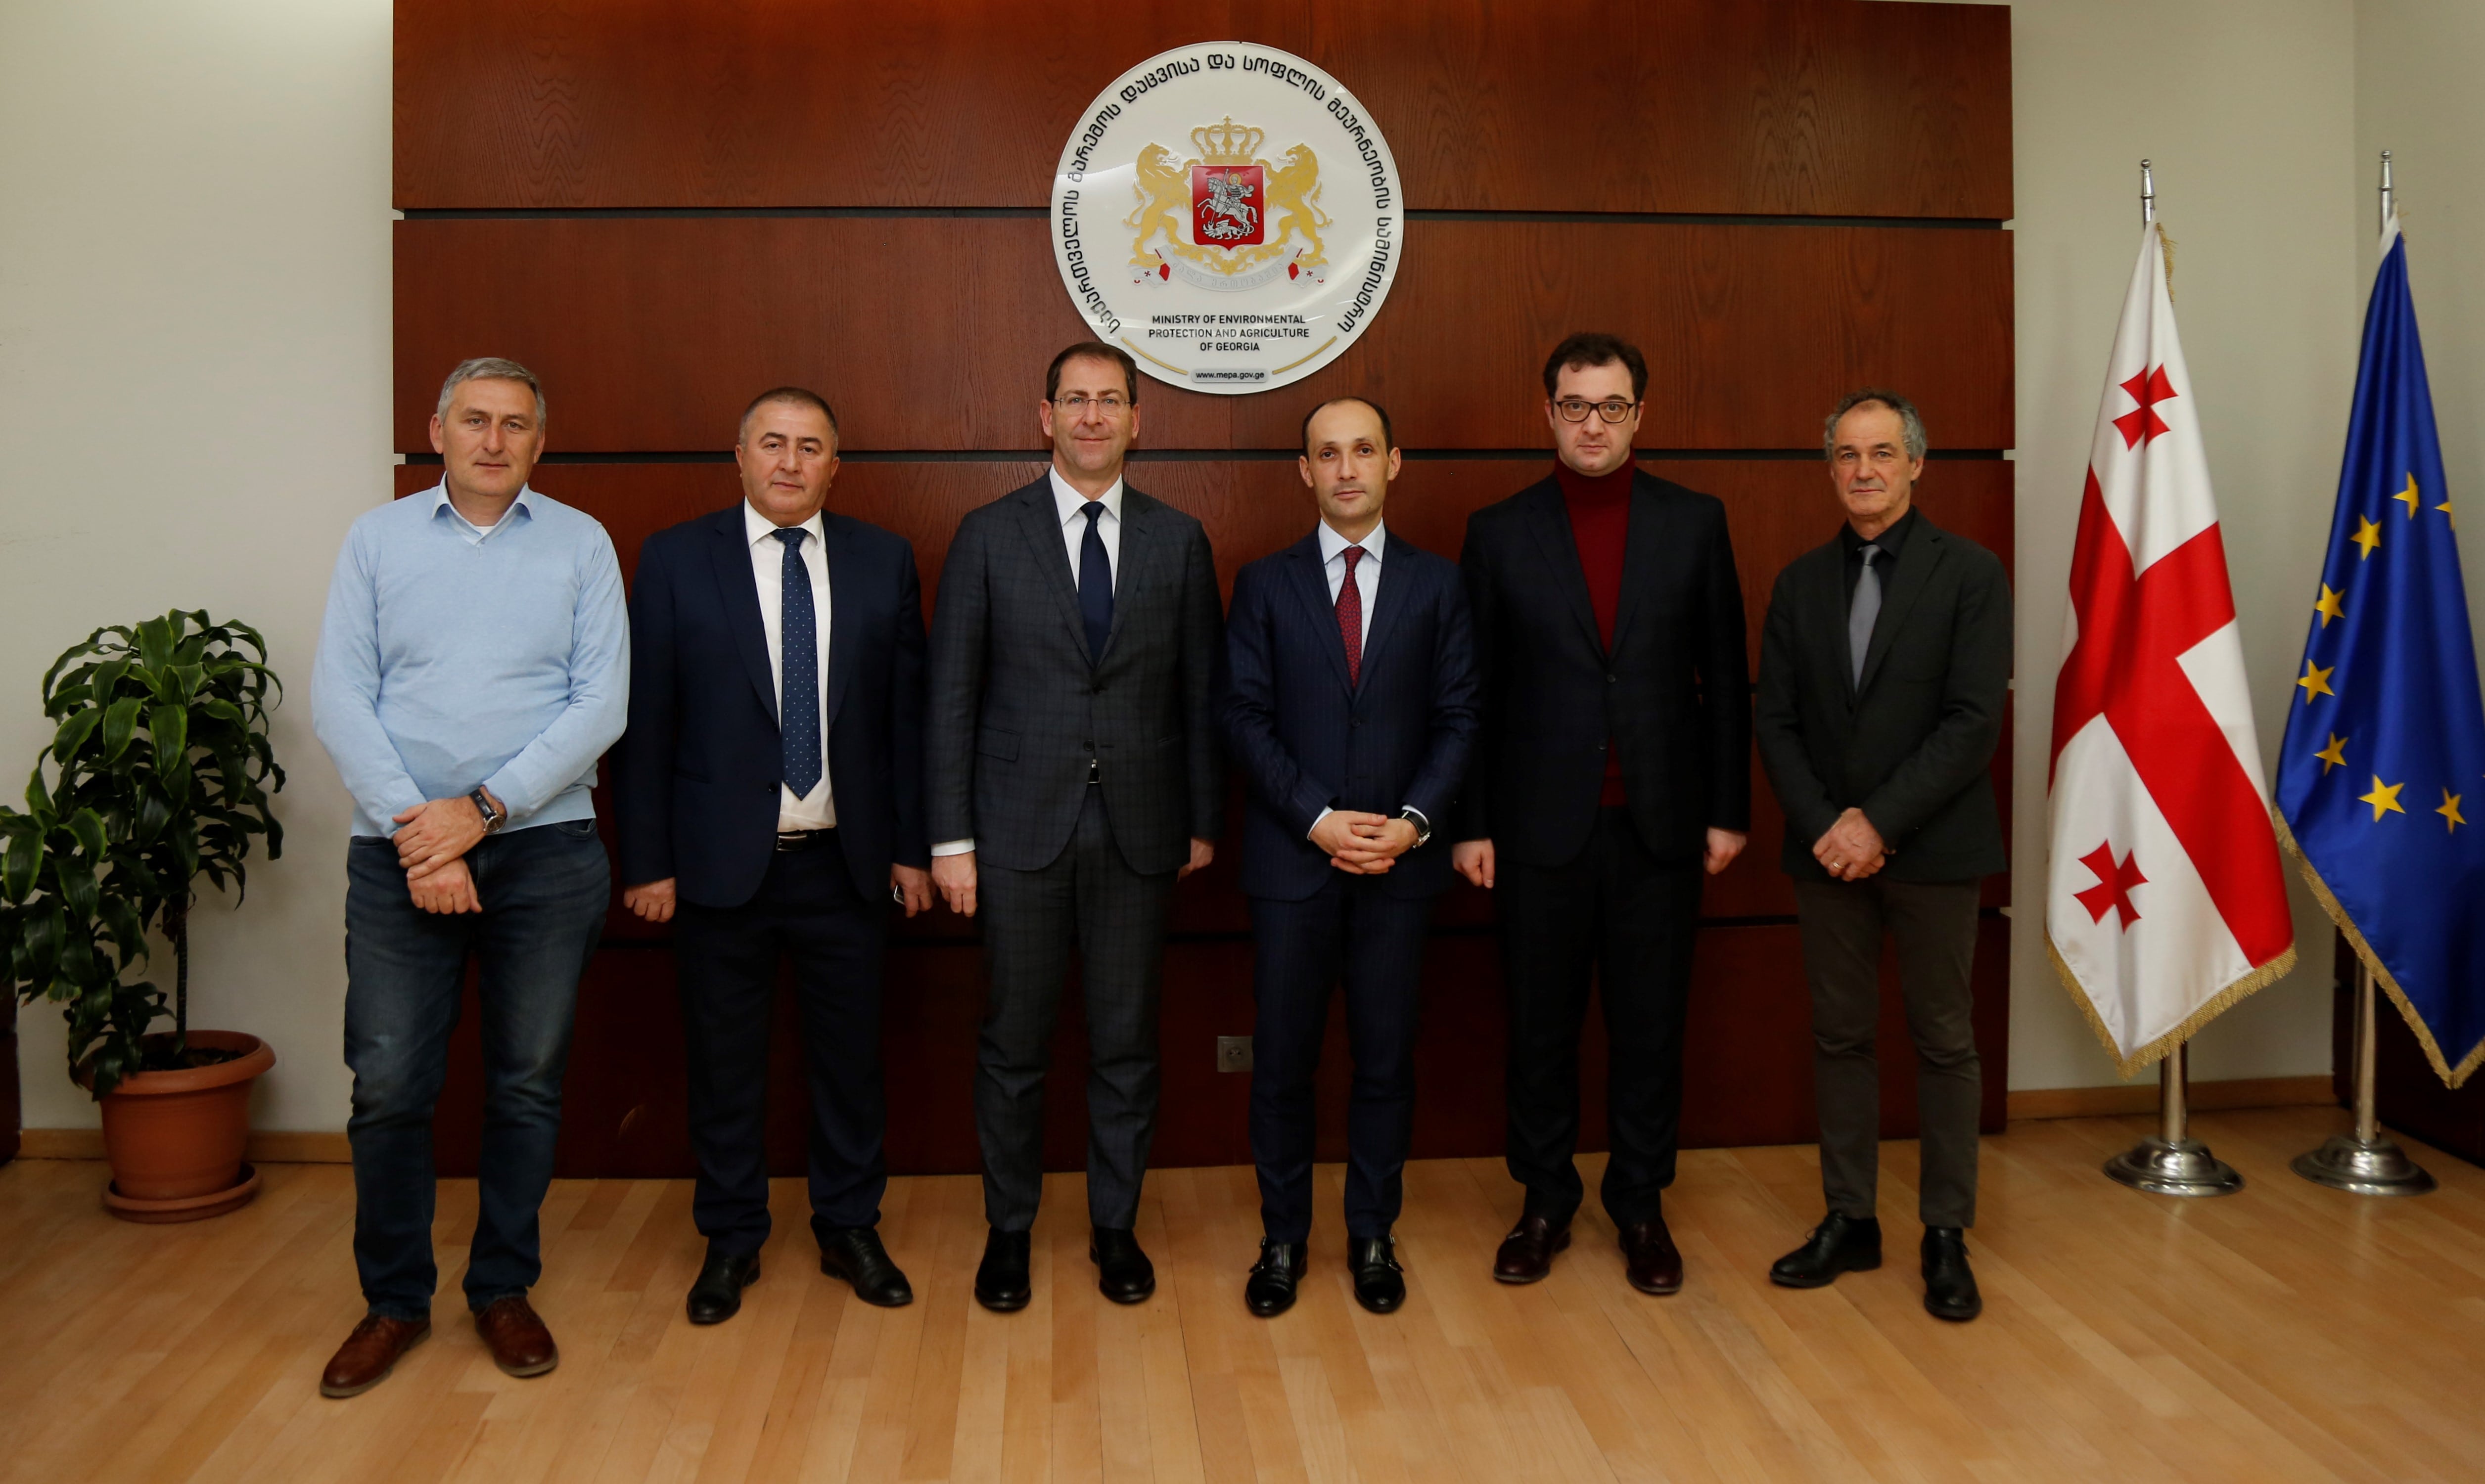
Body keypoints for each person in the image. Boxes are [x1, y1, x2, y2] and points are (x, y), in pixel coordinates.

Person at [310, 358, 628, 1396]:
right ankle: (394, 1302)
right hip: (398, 848)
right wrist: (428, 834)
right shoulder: (377, 539)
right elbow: (340, 697)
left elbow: (601, 705)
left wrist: (480, 812)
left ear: (541, 442)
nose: (495, 440)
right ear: (437, 428)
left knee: (526, 1082)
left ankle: (501, 1286)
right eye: (476, 420)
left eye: (516, 424)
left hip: (546, 851)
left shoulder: (581, 543)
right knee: (389, 1083)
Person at [615, 388, 932, 1324]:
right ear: (741, 456)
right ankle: (731, 1238)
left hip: (847, 862)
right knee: (724, 1065)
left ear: (835, 466)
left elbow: (906, 721)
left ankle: (849, 1226)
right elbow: (646, 723)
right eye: (773, 444)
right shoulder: (676, 559)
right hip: (718, 865)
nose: (790, 462)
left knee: (851, 1062)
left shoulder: (883, 559)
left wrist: (911, 849)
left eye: (810, 447)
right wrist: (647, 861)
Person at [925, 342, 1223, 1312]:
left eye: (1111, 400)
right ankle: (1009, 1230)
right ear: (1044, 416)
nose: (1093, 416)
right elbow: (951, 698)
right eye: (1075, 399)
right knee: (1013, 1043)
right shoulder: (987, 535)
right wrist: (951, 841)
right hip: (1016, 834)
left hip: (1141, 833)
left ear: (1138, 420)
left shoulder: (1180, 540)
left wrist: (1202, 820)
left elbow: (1200, 693)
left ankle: (1114, 1227)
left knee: (1126, 1044)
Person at [1454, 332, 1750, 1296]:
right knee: (1539, 1030)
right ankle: (1544, 1199)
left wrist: (1728, 810)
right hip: (1535, 829)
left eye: (1611, 406)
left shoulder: (1695, 521)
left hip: (1661, 826)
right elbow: (1473, 695)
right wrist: (1471, 822)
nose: (1593, 423)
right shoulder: (1499, 531)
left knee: (1649, 1029)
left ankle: (1640, 1204)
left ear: (1639, 415)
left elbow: (1725, 680)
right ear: (1547, 413)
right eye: (1575, 405)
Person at [1754, 389, 2009, 1323]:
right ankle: (1850, 1218)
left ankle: (1945, 1233)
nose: (1864, 470)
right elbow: (1775, 720)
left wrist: (1879, 823)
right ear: (1831, 469)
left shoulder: (1971, 573)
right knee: (1841, 1036)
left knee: (1944, 1040)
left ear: (1916, 464)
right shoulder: (1799, 584)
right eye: (1847, 455)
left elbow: (1972, 721)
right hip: (1827, 854)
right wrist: (1831, 825)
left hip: (1934, 848)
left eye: (1882, 453)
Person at [1221, 396, 1478, 1317]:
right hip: (1294, 868)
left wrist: (1412, 822)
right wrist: (1317, 819)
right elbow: (1241, 716)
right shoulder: (1263, 583)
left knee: (1385, 1062)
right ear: (1305, 471)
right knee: (1282, 1066)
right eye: (1327, 454)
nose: (1345, 469)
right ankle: (1283, 1239)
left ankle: (1373, 1233)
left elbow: (1460, 717)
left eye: (1362, 450)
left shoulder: (1440, 585)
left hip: (1401, 869)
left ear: (1392, 462)